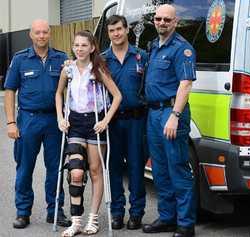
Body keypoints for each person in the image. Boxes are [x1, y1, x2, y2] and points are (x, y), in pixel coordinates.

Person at [4, 19, 71, 229]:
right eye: (37, 33)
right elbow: (9, 91)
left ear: (49, 34)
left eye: (45, 32)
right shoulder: (20, 59)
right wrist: (11, 123)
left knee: (55, 169)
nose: (41, 36)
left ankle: (55, 211)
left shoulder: (62, 58)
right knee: (24, 168)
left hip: (54, 120)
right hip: (28, 120)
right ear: (31, 35)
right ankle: (23, 212)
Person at [55, 30, 121, 237]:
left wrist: (105, 120)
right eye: (76, 45)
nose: (80, 49)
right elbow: (58, 94)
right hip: (74, 122)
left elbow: (117, 96)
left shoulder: (98, 69)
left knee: (94, 171)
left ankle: (92, 219)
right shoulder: (68, 69)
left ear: (92, 48)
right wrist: (60, 118)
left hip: (94, 122)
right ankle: (76, 221)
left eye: (84, 45)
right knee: (75, 171)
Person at [142, 4, 196, 237]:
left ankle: (185, 225)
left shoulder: (182, 48)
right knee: (160, 170)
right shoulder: (154, 46)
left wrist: (174, 116)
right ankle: (167, 218)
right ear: (154, 21)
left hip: (171, 113)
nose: (162, 22)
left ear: (176, 22)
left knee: (177, 168)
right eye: (158, 18)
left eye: (167, 19)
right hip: (154, 114)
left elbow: (186, 84)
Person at [101, 15, 148, 230]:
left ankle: (137, 212)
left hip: (137, 120)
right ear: (108, 33)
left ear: (127, 29)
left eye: (119, 29)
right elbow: (80, 65)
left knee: (137, 168)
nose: (116, 34)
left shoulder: (142, 57)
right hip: (112, 122)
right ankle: (117, 212)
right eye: (112, 31)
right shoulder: (101, 60)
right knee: (114, 168)